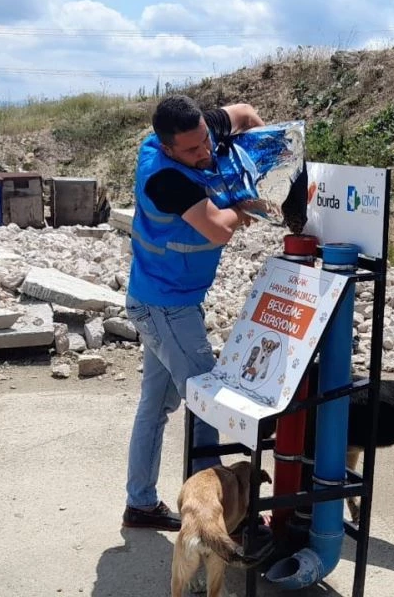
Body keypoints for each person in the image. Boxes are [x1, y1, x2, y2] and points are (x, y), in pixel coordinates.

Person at [123, 95, 265, 531]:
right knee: (210, 405)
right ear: (166, 147)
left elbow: (244, 114)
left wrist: (256, 162)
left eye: (205, 141)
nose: (203, 153)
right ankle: (215, 517)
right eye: (191, 150)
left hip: (157, 300)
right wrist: (244, 204)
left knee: (154, 405)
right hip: (167, 308)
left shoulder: (197, 130)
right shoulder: (164, 178)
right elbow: (219, 229)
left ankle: (141, 503)